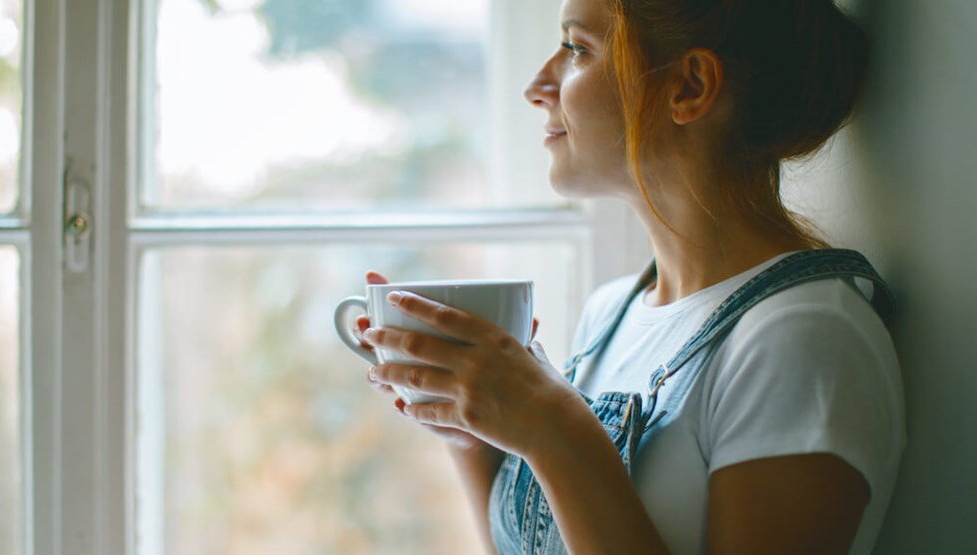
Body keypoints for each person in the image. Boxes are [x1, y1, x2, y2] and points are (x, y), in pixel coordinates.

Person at [356, 0, 905, 553]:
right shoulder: (611, 313)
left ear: (688, 86)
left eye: (576, 48)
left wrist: (556, 432)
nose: (537, 86)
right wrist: (470, 428)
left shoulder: (803, 339)